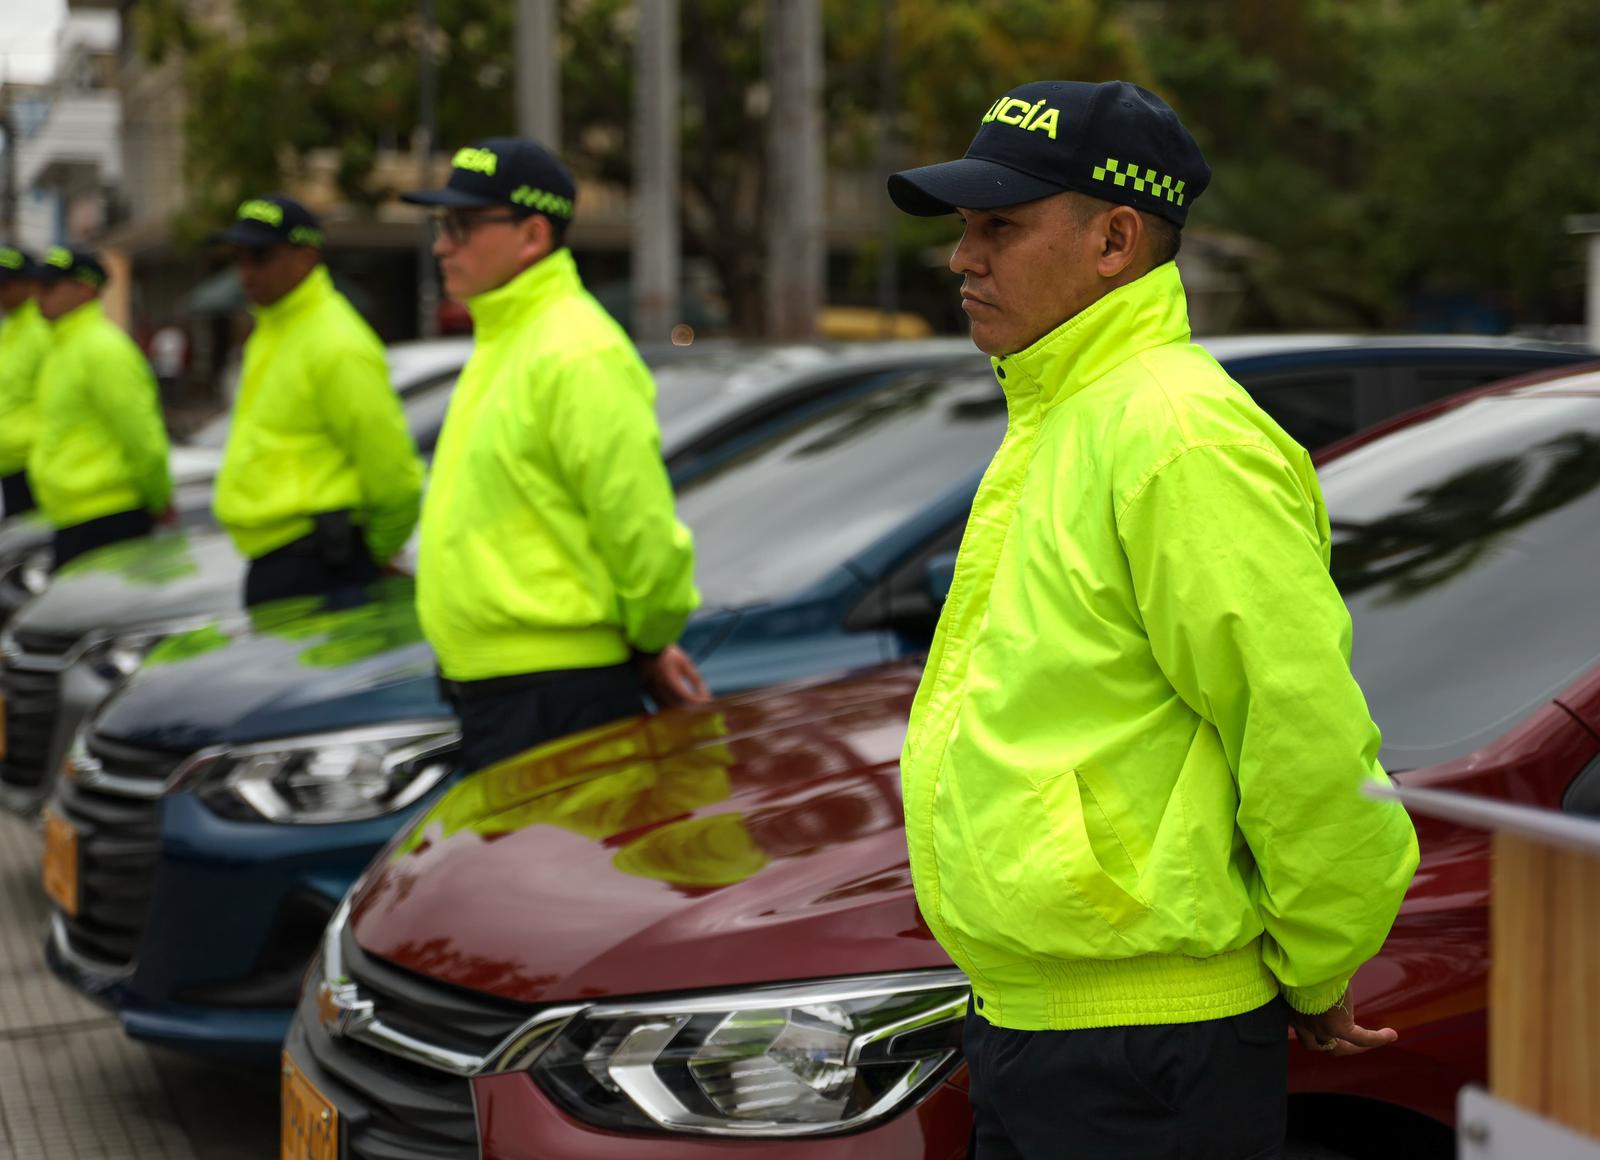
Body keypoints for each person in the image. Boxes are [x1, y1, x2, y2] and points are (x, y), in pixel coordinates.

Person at [888, 81, 1420, 1158]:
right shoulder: (1070, 413)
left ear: (1114, 240)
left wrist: (1322, 958)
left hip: (1143, 1045)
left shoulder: (1177, 433)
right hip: (1047, 1021)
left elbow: (1299, 726)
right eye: (963, 228)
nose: (962, 259)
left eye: (999, 226)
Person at [401, 139, 708, 774]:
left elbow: (641, 535)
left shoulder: (576, 350)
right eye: (440, 226)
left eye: (461, 225)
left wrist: (651, 641)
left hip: (553, 695)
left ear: (533, 235)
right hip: (512, 690)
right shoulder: (512, 336)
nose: (441, 246)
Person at [210, 196, 424, 606]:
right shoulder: (276, 327)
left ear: (306, 257)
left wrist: (371, 556)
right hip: (289, 557)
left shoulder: (335, 341)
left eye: (260, 257)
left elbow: (393, 472)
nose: (245, 272)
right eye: (238, 257)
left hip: (321, 560)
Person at [30, 246, 172, 570]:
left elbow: (142, 437)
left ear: (86, 289)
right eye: (38, 286)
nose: (40, 296)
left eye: (50, 286)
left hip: (109, 515)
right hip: (75, 513)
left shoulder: (104, 349)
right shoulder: (62, 349)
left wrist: (159, 499)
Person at [0, 244, 51, 518]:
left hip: (34, 463)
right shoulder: (9, 328)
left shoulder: (42, 329)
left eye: (5, 284)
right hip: (10, 463)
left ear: (30, 284)